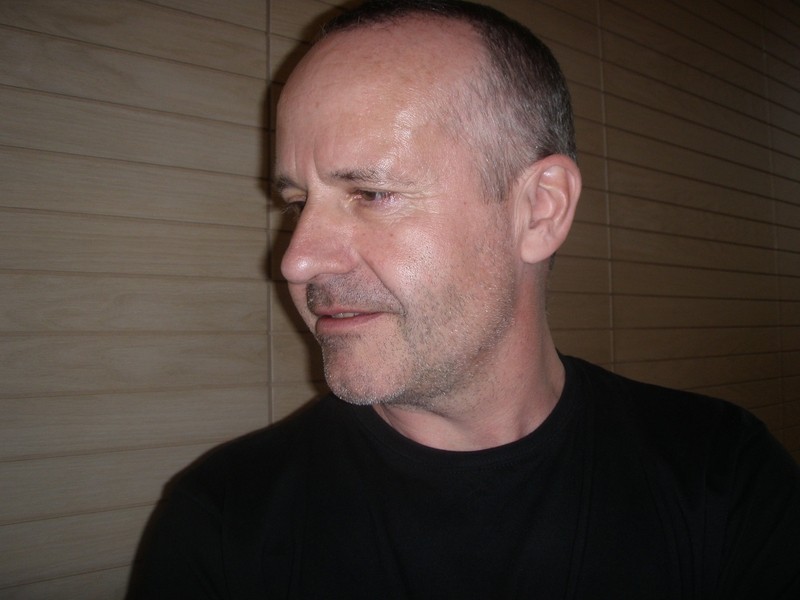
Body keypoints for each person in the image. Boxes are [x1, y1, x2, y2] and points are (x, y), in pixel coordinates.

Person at [126, 1, 800, 598]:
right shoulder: (221, 521)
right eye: (298, 202)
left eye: (371, 194)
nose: (296, 261)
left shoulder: (721, 474)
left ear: (539, 209)